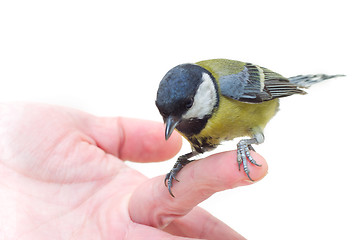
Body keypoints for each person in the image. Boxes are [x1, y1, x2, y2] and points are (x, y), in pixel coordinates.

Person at [0, 103, 268, 240]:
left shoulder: (229, 93)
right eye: (167, 117)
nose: (170, 124)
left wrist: (246, 143)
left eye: (179, 113)